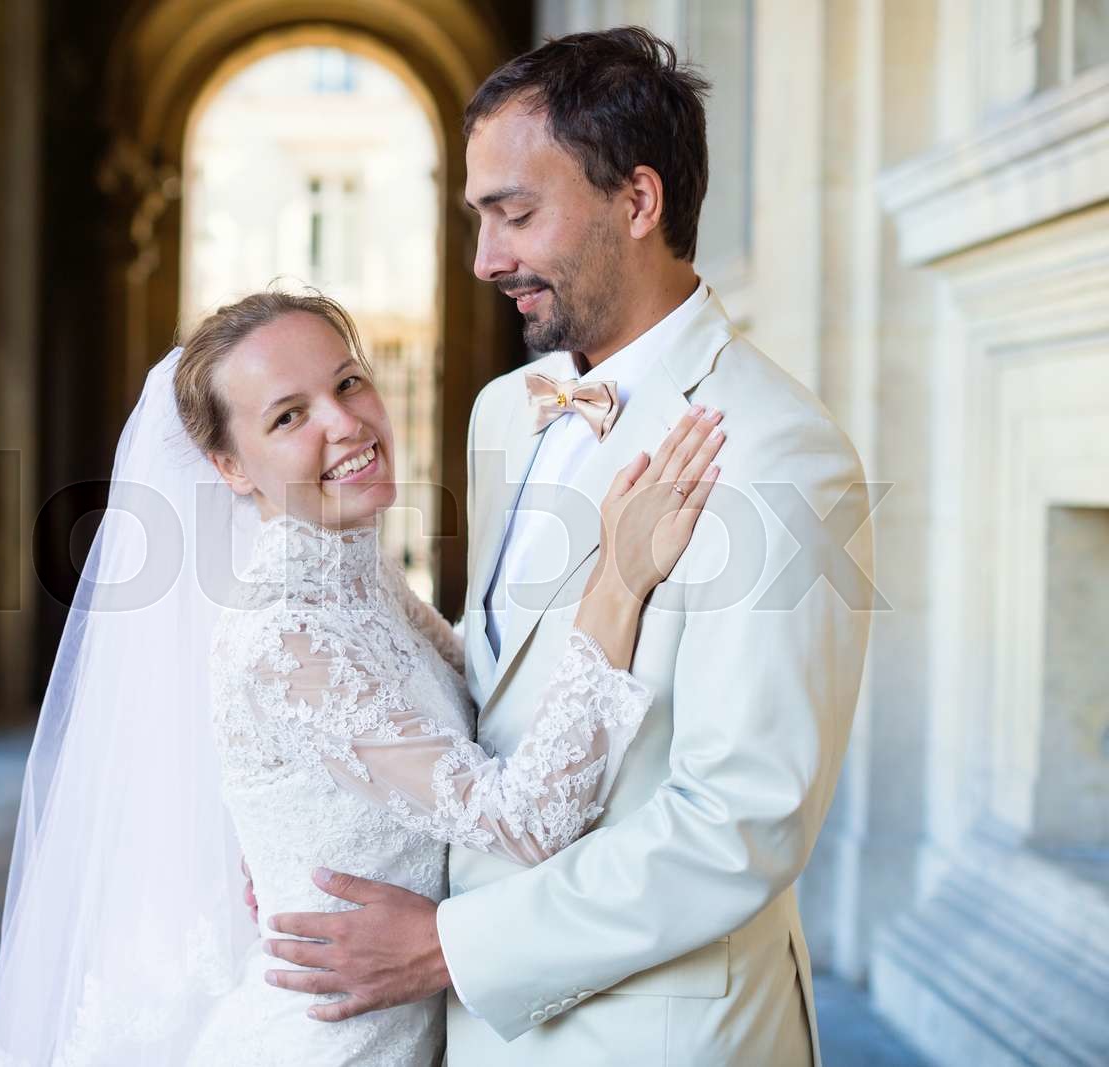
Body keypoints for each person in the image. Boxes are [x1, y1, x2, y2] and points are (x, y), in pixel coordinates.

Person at [257, 28, 876, 1067]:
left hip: (658, 1031)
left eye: (516, 214)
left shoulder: (777, 450)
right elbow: (489, 701)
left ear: (637, 202)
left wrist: (452, 946)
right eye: (479, 217)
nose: (484, 260)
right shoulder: (507, 410)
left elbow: (741, 821)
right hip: (470, 1022)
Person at [0, 289, 725, 1067]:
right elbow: (527, 821)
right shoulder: (282, 638)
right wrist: (620, 581)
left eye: (348, 382)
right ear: (229, 466)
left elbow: (470, 678)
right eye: (288, 416)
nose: (344, 423)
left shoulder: (350, 566)